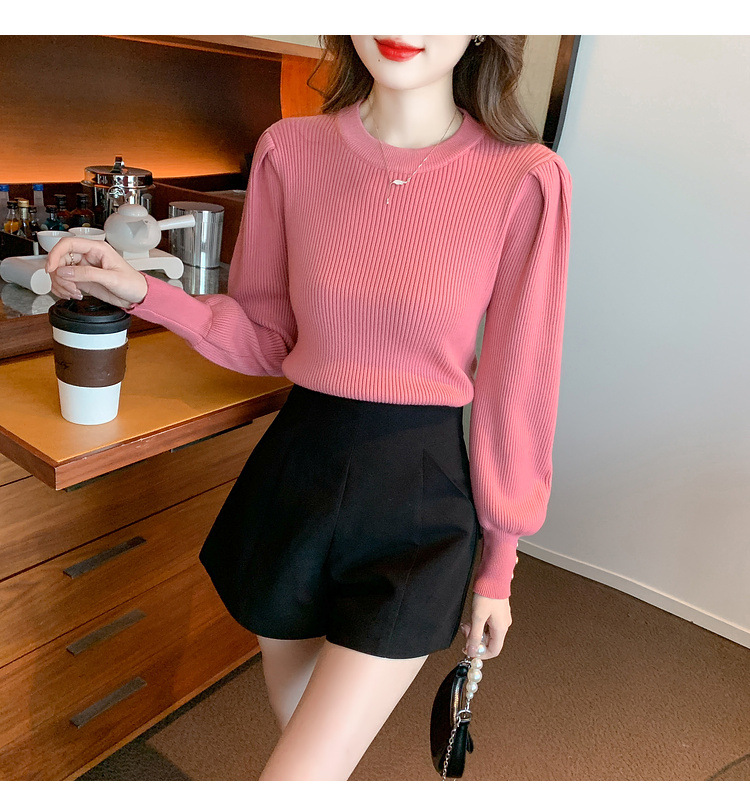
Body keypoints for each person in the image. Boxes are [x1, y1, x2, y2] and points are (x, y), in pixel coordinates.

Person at [45, 35, 572, 780]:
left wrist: (499, 565)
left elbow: (518, 384)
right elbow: (268, 337)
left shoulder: (525, 177)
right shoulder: (289, 151)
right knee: (310, 752)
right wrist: (143, 293)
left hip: (417, 498)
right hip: (296, 479)